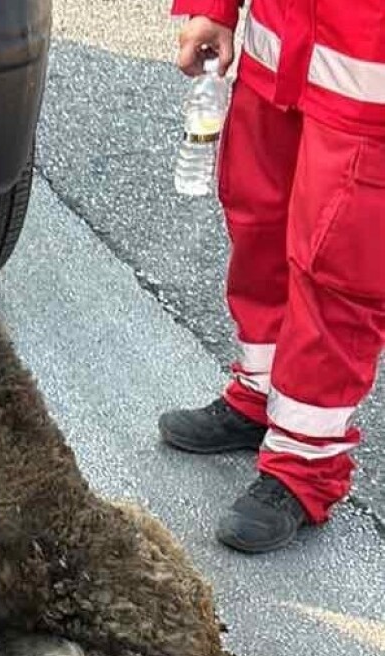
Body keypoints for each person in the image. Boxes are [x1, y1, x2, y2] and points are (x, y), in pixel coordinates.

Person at [161, 0, 385, 554]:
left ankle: (305, 465)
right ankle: (262, 395)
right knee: (259, 223)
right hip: (279, 49)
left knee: (338, 268)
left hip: (368, 77)